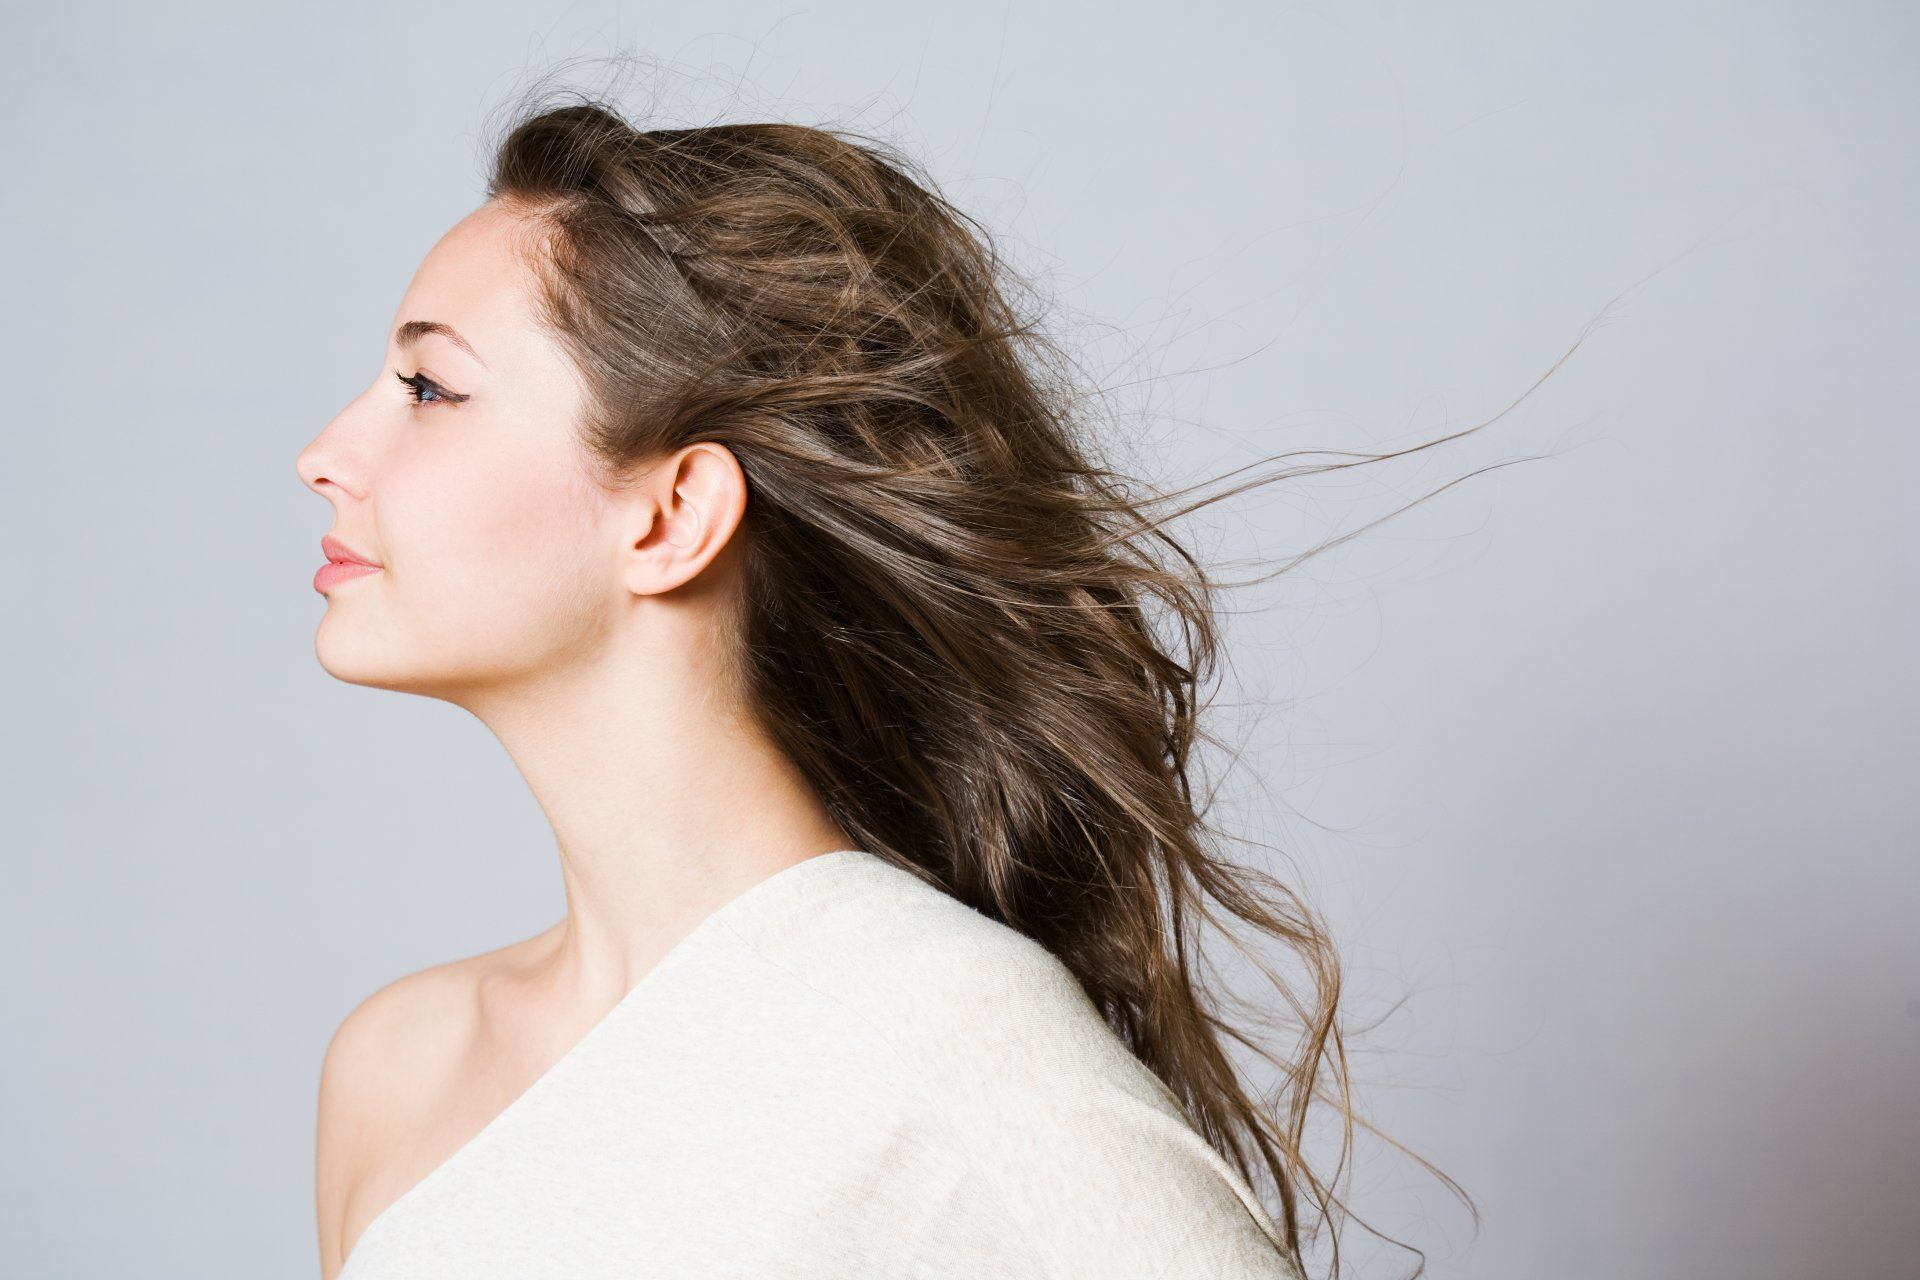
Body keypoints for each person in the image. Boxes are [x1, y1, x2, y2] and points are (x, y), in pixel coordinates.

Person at [298, 91, 1435, 1280]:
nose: (325, 453)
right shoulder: (396, 1069)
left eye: (428, 388)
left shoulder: (953, 1040)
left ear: (673, 515)